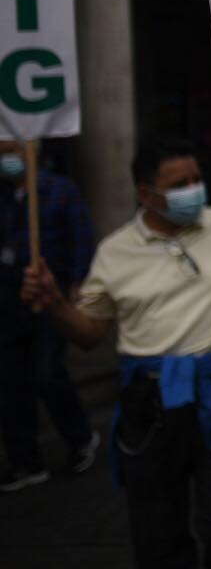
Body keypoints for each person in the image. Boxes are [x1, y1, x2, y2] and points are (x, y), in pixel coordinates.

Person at [19, 134, 211, 569]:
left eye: (196, 178)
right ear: (145, 194)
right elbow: (88, 333)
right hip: (148, 404)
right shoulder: (115, 252)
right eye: (179, 184)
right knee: (157, 527)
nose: (193, 190)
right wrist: (56, 304)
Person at [0, 140, 97, 491]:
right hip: (9, 301)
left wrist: (77, 283)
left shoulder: (59, 191)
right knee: (11, 382)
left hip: (49, 300)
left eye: (10, 151)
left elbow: (81, 237)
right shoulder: (4, 196)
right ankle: (25, 460)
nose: (5, 160)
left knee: (47, 373)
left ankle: (80, 437)